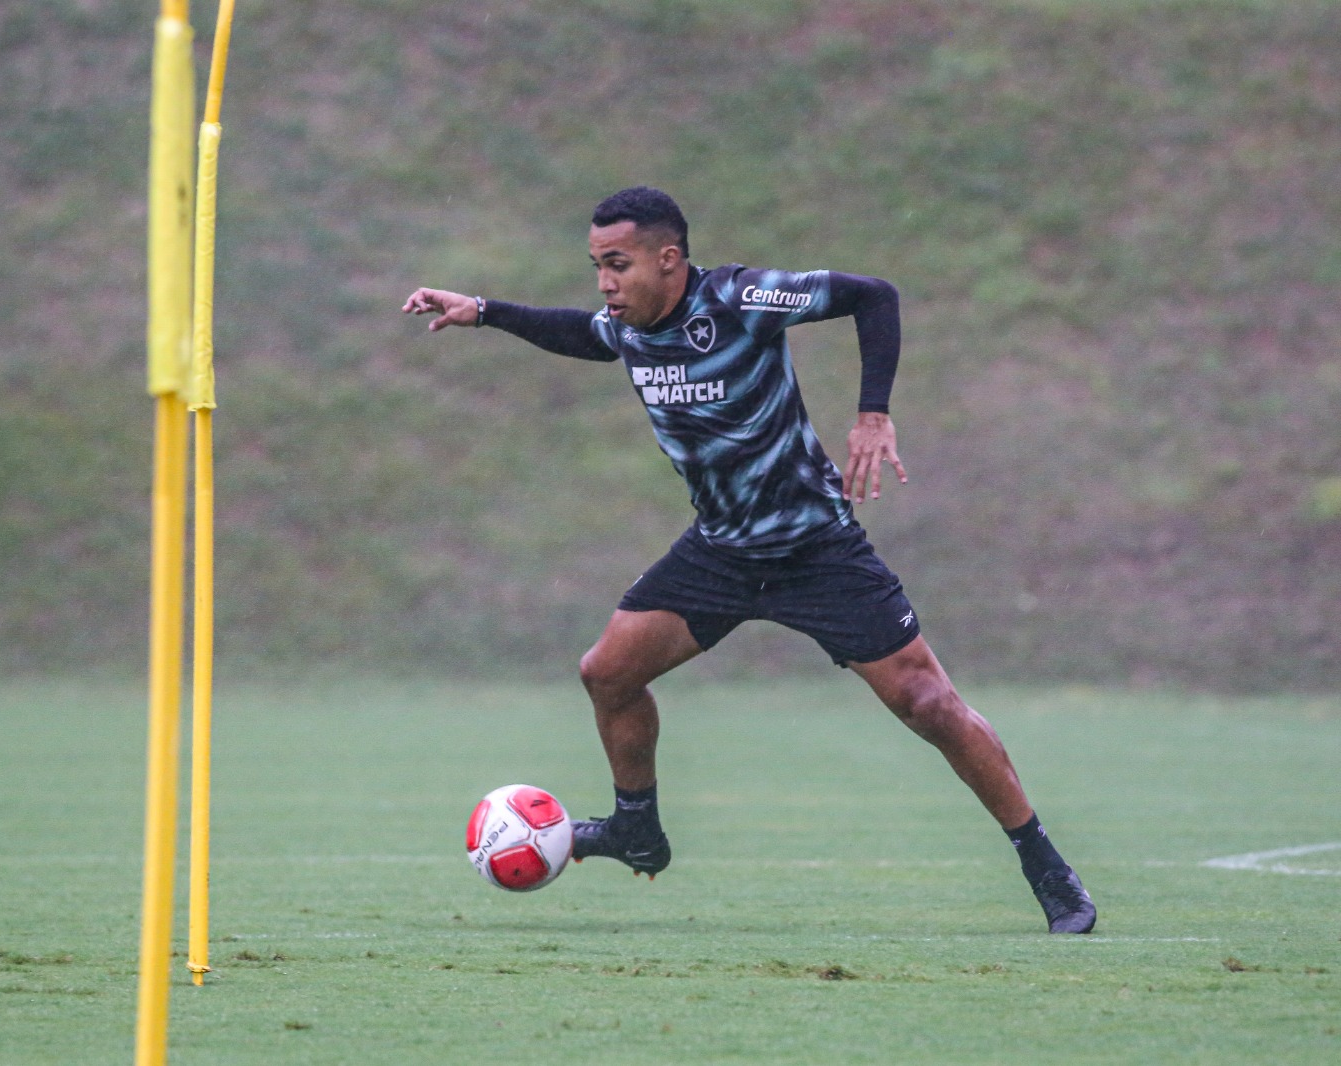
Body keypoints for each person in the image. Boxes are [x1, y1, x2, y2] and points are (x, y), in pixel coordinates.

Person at [401, 186, 1096, 934]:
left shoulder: (739, 298)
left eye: (617, 263)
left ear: (669, 259)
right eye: (597, 265)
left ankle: (1044, 866)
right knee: (608, 671)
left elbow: (875, 296)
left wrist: (873, 415)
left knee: (928, 704)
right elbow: (583, 333)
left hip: (816, 549)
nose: (605, 282)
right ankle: (638, 827)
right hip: (722, 552)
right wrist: (486, 310)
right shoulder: (631, 327)